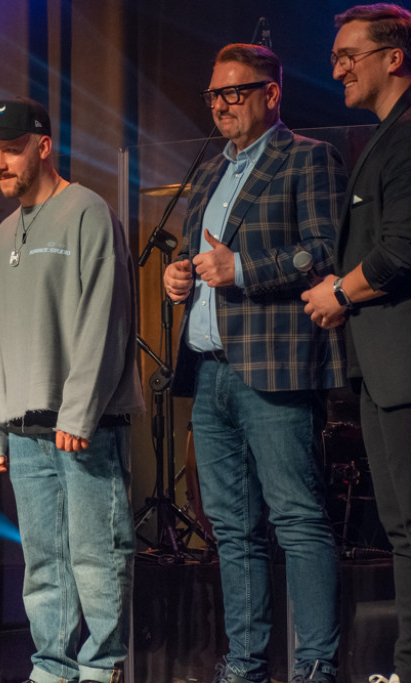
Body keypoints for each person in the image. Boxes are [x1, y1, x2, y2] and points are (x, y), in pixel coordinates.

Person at [163, 44, 347, 683]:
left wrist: (241, 268)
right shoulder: (210, 171)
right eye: (213, 95)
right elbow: (200, 258)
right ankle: (245, 664)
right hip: (209, 370)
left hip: (274, 367)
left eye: (233, 92)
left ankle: (315, 665)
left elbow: (326, 252)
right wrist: (180, 276)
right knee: (233, 529)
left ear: (271, 93)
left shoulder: (308, 158)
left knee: (296, 519)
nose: (220, 105)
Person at [0, 97, 144, 683]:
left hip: (84, 428)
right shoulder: (0, 236)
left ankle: (100, 668)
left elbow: (105, 319)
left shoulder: (87, 211)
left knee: (98, 554)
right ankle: (52, 668)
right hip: (24, 431)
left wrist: (79, 412)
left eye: (11, 151)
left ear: (43, 147)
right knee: (43, 561)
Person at [302, 6, 411, 683]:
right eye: (336, 56)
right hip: (381, 370)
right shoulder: (384, 137)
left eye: (350, 54)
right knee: (400, 529)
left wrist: (340, 292)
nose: (338, 67)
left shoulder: (407, 137)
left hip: (403, 369)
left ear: (394, 57)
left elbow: (402, 249)